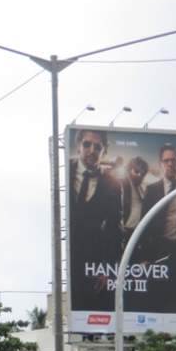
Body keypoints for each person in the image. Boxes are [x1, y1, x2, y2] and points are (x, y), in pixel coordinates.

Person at [68, 129, 122, 310]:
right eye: (86, 144)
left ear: (104, 151)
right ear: (78, 146)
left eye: (97, 147)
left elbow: (114, 229)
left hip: (93, 261)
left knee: (88, 310)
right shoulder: (65, 171)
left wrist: (107, 268)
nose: (92, 150)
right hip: (66, 254)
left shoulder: (112, 183)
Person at [137, 144, 176, 310]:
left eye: (173, 160)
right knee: (158, 296)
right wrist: (143, 257)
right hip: (158, 251)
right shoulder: (152, 190)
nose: (170, 164)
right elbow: (144, 224)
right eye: (166, 161)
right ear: (161, 164)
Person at [121, 156, 150, 243]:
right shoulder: (122, 183)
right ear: (129, 170)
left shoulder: (142, 187)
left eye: (143, 173)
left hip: (137, 231)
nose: (139, 175)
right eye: (136, 171)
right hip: (124, 230)